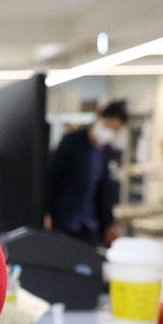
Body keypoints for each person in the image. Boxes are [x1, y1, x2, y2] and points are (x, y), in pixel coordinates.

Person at [41, 100, 128, 246]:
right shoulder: (71, 142)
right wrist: (45, 212)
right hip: (64, 219)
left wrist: (109, 224)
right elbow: (51, 177)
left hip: (90, 226)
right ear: (99, 118)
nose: (109, 132)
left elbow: (104, 192)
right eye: (108, 126)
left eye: (115, 130)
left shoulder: (108, 153)